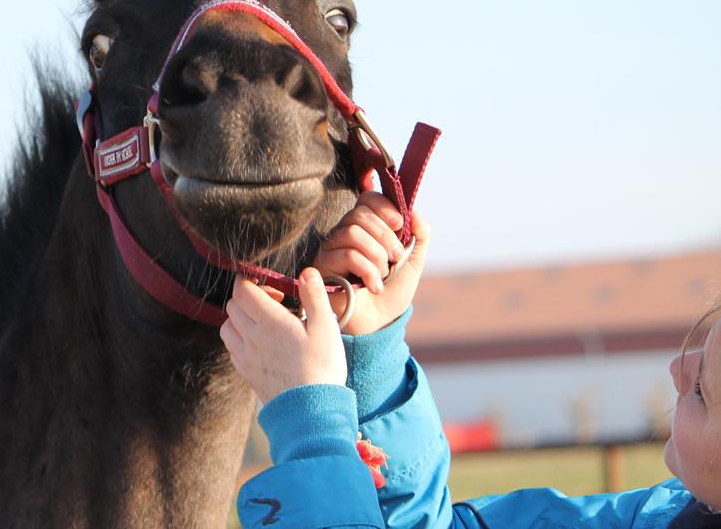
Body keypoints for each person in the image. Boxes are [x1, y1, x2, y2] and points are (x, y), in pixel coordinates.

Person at [221, 192, 721, 528]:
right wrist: (372, 357)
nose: (678, 370)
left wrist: (312, 430)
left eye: (705, 389)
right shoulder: (663, 515)